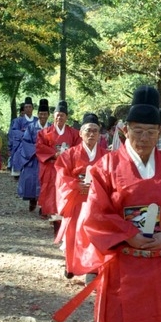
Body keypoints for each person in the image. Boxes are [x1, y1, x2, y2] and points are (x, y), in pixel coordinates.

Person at [56, 86, 161, 322]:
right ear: (125, 131)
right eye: (137, 130)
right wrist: (128, 234)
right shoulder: (106, 166)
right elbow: (96, 214)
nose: (144, 137)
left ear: (160, 132)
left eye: (150, 131)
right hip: (122, 264)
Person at [54, 113, 108, 279]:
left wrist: (96, 187)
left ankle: (92, 269)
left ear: (100, 134)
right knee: (73, 234)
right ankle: (71, 266)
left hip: (97, 201)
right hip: (77, 198)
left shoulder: (107, 155)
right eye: (88, 131)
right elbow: (62, 175)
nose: (91, 134)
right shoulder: (69, 154)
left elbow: (113, 178)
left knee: (95, 234)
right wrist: (76, 185)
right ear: (80, 133)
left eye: (95, 131)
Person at [35, 100, 81, 234]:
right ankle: (56, 224)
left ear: (66, 117)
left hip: (67, 168)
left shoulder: (74, 133)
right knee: (52, 195)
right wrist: (55, 154)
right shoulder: (44, 132)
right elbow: (39, 146)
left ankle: (66, 222)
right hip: (51, 168)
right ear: (53, 116)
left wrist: (67, 155)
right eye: (57, 115)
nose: (59, 117)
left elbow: (78, 148)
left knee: (67, 193)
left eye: (62, 115)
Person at [13, 99, 51, 212]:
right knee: (31, 179)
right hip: (33, 158)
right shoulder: (31, 127)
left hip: (48, 159)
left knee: (46, 182)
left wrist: (48, 153)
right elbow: (25, 141)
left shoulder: (51, 128)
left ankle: (43, 206)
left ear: (48, 115)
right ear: (37, 114)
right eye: (40, 114)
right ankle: (33, 200)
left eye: (45, 114)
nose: (42, 116)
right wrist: (38, 150)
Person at [9, 98, 37, 180]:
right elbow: (14, 132)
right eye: (26, 107)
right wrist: (27, 135)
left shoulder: (37, 120)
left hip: (34, 145)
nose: (28, 109)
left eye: (30, 107)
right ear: (24, 109)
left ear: (32, 108)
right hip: (22, 145)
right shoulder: (18, 121)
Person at [6, 103, 25, 176]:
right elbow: (11, 134)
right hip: (17, 145)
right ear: (20, 112)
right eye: (23, 113)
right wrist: (10, 147)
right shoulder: (15, 121)